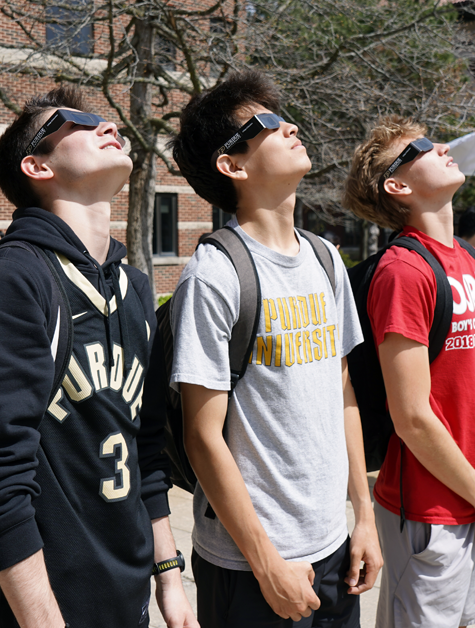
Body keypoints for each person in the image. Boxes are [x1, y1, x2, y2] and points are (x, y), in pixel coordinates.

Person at [0, 86, 196, 628]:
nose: (106, 127)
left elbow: (144, 449)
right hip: (38, 607)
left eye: (106, 120)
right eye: (77, 122)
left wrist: (169, 579)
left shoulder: (135, 289)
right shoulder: (9, 282)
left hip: (129, 596)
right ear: (36, 165)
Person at [169, 70, 381, 627]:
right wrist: (267, 566)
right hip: (249, 562)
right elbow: (201, 436)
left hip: (335, 545)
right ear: (232, 165)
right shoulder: (214, 275)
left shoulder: (325, 258)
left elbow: (342, 393)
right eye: (264, 123)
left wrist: (364, 517)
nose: (288, 126)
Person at [344, 116, 475, 628]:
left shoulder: (469, 258)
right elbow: (412, 415)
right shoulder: (403, 271)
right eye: (419, 147)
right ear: (397, 186)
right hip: (429, 512)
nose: (440, 145)